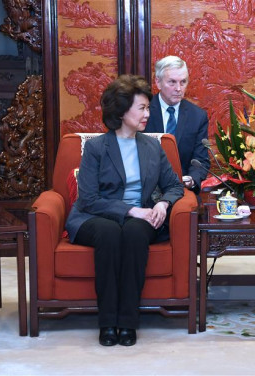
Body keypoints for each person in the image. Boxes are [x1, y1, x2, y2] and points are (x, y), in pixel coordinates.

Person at [65, 75, 184, 347]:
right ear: (121, 111)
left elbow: (174, 185)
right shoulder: (96, 147)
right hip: (94, 217)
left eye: (147, 108)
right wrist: (132, 210)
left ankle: (128, 322)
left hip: (140, 217)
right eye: (141, 108)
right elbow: (89, 199)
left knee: (134, 233)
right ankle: (108, 322)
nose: (147, 114)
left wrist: (163, 204)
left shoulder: (153, 146)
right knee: (108, 233)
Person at [145, 55, 210, 193]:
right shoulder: (143, 110)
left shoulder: (197, 116)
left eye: (183, 82)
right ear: (158, 82)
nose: (179, 88)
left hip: (182, 189)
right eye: (172, 82)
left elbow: (201, 160)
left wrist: (192, 179)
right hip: (145, 189)